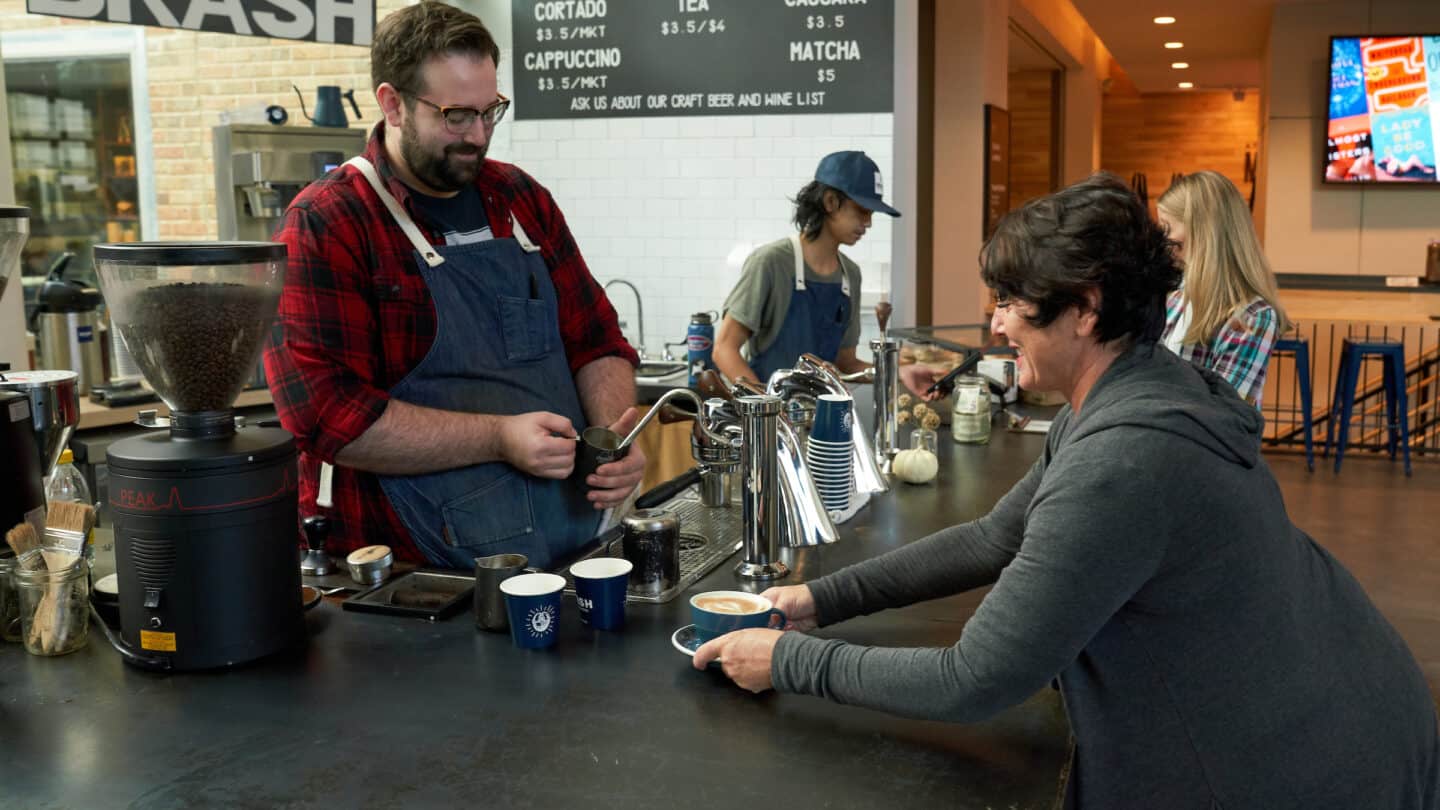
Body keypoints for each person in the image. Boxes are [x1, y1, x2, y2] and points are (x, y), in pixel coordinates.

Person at [694, 174, 1439, 809]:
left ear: (1084, 307)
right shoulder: (1134, 388)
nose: (995, 323)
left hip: (1302, 771)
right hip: (1350, 703)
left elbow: (975, 678)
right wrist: (818, 601)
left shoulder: (1126, 459)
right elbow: (995, 536)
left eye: (1013, 302)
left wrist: (788, 662)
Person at [263, 2, 645, 570]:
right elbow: (326, 416)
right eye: (456, 115)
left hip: (566, 549)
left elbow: (596, 340)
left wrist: (612, 438)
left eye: (491, 111)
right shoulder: (331, 222)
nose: (479, 135)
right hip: (415, 575)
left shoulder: (520, 199)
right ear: (392, 103)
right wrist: (498, 438)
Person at [711, 151, 900, 386]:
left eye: (871, 214)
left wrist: (897, 373)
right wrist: (768, 408)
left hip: (823, 414)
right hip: (769, 416)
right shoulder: (771, 263)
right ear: (830, 201)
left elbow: (846, 363)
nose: (869, 222)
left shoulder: (850, 275)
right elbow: (724, 349)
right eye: (862, 210)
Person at [1155, 170, 1287, 408]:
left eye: (1167, 228)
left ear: (1201, 231)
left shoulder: (1253, 317)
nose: (1163, 241)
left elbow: (1223, 413)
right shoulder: (1174, 297)